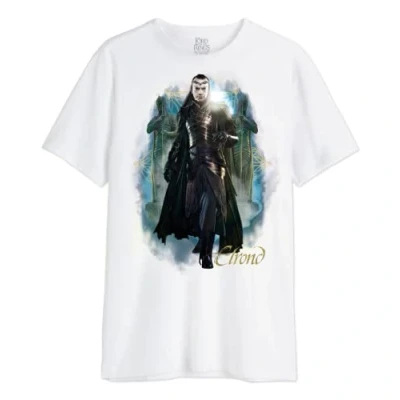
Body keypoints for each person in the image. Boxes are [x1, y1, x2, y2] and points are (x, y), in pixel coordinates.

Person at [153, 74, 243, 268]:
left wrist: (225, 136)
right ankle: (203, 242)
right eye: (197, 87)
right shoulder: (185, 112)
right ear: (192, 89)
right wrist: (171, 163)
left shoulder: (220, 111)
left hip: (214, 165)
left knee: (210, 203)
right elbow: (180, 141)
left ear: (208, 90)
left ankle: (206, 254)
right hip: (191, 166)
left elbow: (235, 138)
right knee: (195, 208)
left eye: (204, 87)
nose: (200, 91)